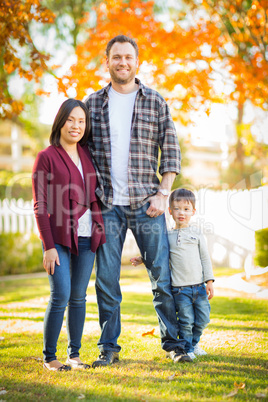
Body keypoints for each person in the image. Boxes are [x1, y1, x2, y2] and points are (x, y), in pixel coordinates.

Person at [84, 35, 191, 367]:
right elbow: (82, 154)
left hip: (148, 203)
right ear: (107, 62)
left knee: (161, 275)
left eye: (128, 57)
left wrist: (163, 193)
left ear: (137, 62)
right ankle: (108, 349)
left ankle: (174, 345)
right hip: (106, 204)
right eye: (116, 57)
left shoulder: (155, 101)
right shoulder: (91, 104)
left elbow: (170, 151)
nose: (122, 62)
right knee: (106, 278)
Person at [32, 99, 105, 371]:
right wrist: (48, 246)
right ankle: (50, 357)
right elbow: (40, 204)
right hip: (58, 238)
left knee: (78, 296)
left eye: (81, 121)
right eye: (71, 120)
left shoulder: (87, 155)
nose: (76, 126)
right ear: (61, 121)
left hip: (87, 237)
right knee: (60, 294)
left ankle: (74, 355)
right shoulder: (47, 156)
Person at [131, 188, 215, 360]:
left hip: (198, 287)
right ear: (169, 211)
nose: (181, 213)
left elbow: (205, 258)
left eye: (186, 209)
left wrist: (209, 281)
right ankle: (187, 348)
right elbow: (158, 254)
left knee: (203, 319)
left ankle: (194, 342)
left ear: (193, 211)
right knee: (186, 321)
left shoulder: (197, 232)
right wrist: (142, 259)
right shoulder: (167, 235)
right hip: (180, 290)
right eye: (176, 208)